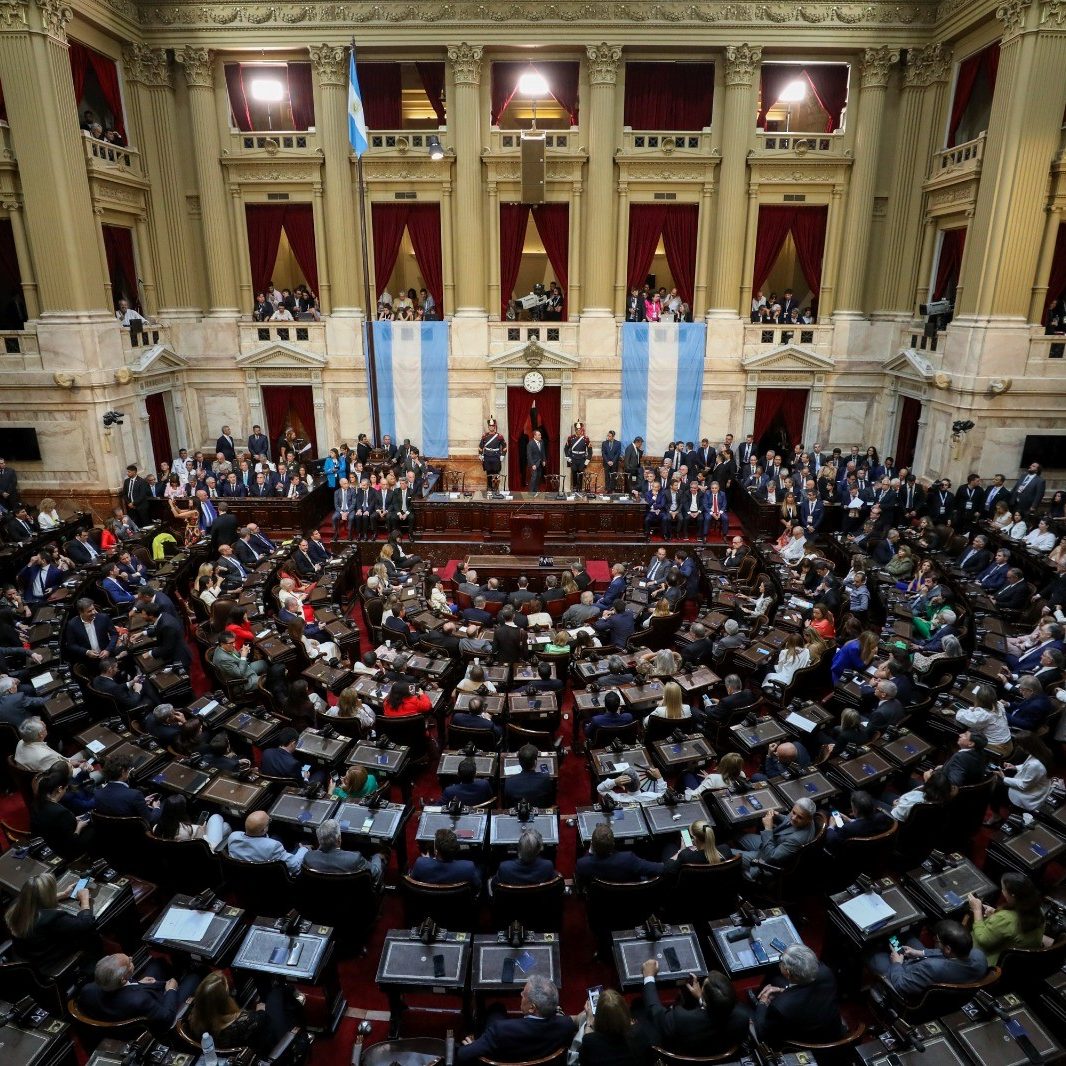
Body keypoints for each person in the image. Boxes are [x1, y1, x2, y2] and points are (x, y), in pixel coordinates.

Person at [457, 975, 575, 1064]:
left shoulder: (500, 1030)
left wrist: (473, 1045)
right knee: (497, 1009)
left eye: (524, 994)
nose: (521, 994)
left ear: (531, 1008)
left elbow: (462, 1055)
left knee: (496, 1008)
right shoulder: (566, 1025)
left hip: (505, 1055)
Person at [638, 963, 750, 1056]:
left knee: (637, 1007)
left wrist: (648, 976)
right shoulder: (742, 1017)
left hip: (681, 1056)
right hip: (714, 1053)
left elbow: (654, 1011)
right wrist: (701, 998)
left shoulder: (681, 1018)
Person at [867, 919, 988, 998]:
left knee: (873, 953)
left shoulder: (930, 967)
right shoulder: (979, 955)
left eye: (937, 940)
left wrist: (897, 963)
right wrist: (920, 953)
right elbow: (945, 954)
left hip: (906, 977)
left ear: (948, 949)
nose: (935, 940)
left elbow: (901, 986)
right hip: (933, 970)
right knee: (907, 936)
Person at [187, 970, 300, 1055]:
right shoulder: (249, 1021)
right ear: (224, 1002)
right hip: (263, 1052)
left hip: (228, 1052)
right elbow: (264, 1021)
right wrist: (260, 1011)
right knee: (275, 996)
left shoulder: (193, 1019)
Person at [5, 872, 100, 970]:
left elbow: (33, 900)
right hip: (47, 962)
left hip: (27, 955)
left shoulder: (15, 905)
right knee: (91, 935)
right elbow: (86, 925)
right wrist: (84, 901)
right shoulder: (51, 918)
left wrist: (64, 894)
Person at [753, 945, 846, 1046]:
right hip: (831, 1030)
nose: (780, 964)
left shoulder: (780, 1006)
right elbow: (807, 994)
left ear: (788, 973)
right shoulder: (826, 973)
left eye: (782, 962)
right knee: (776, 980)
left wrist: (763, 1001)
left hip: (808, 1041)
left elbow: (762, 1033)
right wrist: (782, 990)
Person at [78, 952, 197, 1028]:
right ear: (123, 979)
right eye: (129, 962)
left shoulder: (87, 990)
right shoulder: (140, 1000)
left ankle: (179, 972)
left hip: (127, 1002)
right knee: (195, 976)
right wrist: (171, 990)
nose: (131, 958)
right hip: (159, 1006)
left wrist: (137, 983)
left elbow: (121, 989)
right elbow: (166, 1018)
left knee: (158, 964)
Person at [966, 872, 1045, 965]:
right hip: (1021, 959)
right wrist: (995, 913)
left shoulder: (1005, 918)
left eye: (1003, 889)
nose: (1002, 892)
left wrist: (977, 910)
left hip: (991, 961)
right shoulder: (1039, 910)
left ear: (1012, 895)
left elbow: (983, 940)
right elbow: (1011, 927)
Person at [735, 800, 818, 883]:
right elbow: (789, 820)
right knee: (740, 837)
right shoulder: (807, 816)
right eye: (793, 812)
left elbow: (771, 856)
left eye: (799, 817)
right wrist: (777, 816)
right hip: (774, 843)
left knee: (732, 855)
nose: (793, 817)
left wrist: (768, 828)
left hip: (767, 860)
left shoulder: (797, 839)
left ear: (809, 819)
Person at [575, 823, 663, 885]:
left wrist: (590, 851)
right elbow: (660, 869)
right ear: (613, 844)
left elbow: (581, 883)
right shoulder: (628, 859)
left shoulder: (582, 864)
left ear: (592, 845)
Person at [226, 811, 308, 876]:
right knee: (304, 843)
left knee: (277, 835)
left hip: (245, 876)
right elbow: (295, 866)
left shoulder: (233, 837)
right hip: (270, 879)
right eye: (269, 821)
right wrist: (303, 849)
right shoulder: (273, 846)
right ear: (264, 830)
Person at [304, 818, 385, 883]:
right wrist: (376, 857)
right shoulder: (354, 859)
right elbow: (376, 873)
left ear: (319, 840)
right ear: (339, 839)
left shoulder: (308, 857)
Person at [95, 752, 162, 824]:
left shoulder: (97, 792)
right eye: (128, 769)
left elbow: (119, 804)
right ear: (123, 772)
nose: (129, 771)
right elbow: (151, 820)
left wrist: (142, 802)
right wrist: (156, 807)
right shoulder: (135, 795)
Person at [411, 827, 482, 893]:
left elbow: (413, 882)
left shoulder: (421, 864)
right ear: (456, 850)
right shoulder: (468, 868)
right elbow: (477, 887)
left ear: (436, 851)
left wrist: (427, 860)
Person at [153, 794, 230, 851]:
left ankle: (218, 853)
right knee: (216, 817)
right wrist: (202, 828)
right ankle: (216, 855)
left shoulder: (156, 827)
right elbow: (198, 842)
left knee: (226, 827)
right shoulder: (185, 832)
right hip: (204, 850)